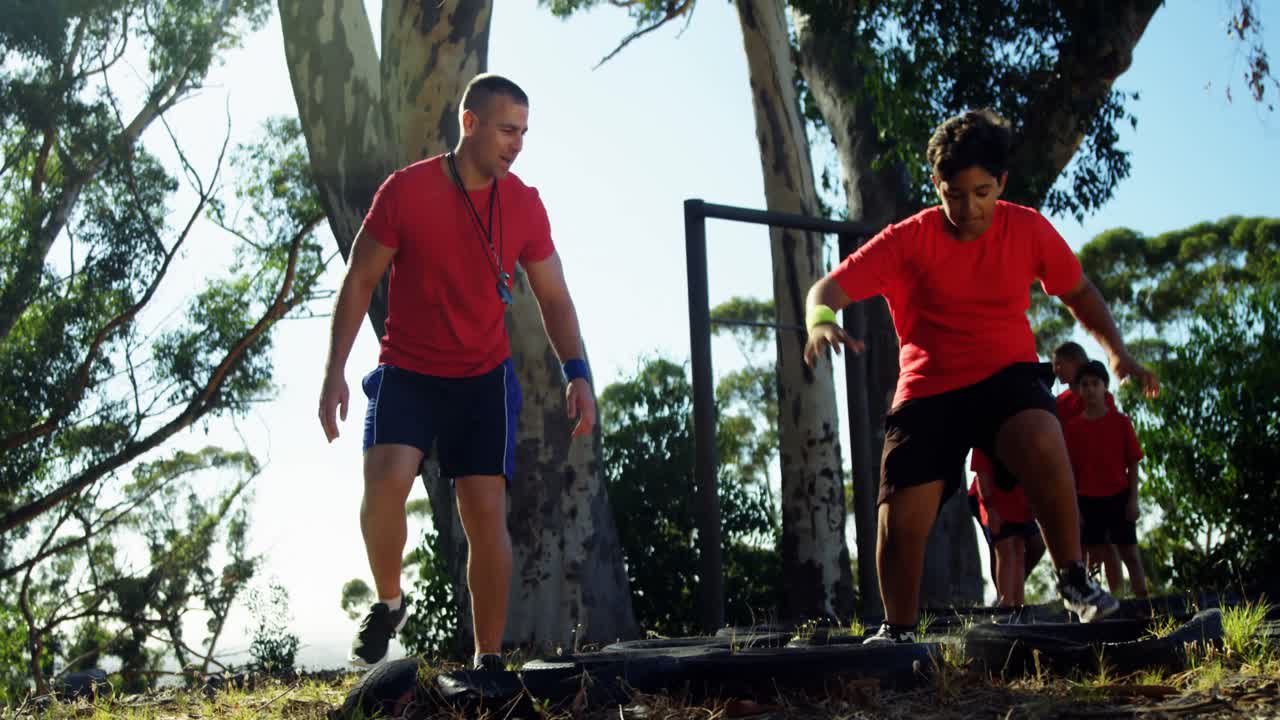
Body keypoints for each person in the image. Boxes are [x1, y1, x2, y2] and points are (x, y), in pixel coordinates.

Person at [802, 108, 1159, 644]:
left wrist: (1117, 350)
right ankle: (896, 633)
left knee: (1042, 435)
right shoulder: (909, 238)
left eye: (983, 192)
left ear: (1002, 184)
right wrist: (821, 324)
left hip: (1005, 377)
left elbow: (1079, 290)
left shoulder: (1028, 228)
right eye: (954, 193)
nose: (969, 208)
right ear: (936, 185)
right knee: (898, 528)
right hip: (928, 390)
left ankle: (1075, 582)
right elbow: (825, 290)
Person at [317, 74, 596, 669]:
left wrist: (578, 371)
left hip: (483, 378)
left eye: (523, 132)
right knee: (385, 482)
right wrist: (334, 370)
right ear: (469, 123)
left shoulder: (523, 202)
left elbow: (555, 298)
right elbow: (359, 279)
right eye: (505, 129)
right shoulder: (406, 191)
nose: (516, 144)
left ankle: (487, 660)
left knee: (484, 512)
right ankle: (390, 602)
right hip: (409, 368)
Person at [1063, 360, 1149, 598]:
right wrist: (1076, 510)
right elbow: (1069, 473)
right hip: (1088, 500)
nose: (1090, 389)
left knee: (1130, 554)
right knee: (1093, 559)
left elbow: (1133, 464)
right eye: (1084, 384)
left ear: (1105, 387)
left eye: (1095, 384)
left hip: (1119, 497)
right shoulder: (1072, 429)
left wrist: (1133, 501)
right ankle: (1109, 604)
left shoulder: (1121, 422)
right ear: (1079, 390)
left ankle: (1145, 606)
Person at [1051, 341, 1124, 583]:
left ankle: (1120, 596)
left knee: (1109, 543)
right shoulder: (1058, 404)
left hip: (1104, 482)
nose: (1056, 370)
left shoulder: (1104, 399)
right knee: (1079, 542)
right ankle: (1087, 591)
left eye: (1059, 364)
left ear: (1075, 362)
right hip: (1072, 482)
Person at [967, 450, 1043, 608]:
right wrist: (990, 509)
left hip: (1018, 500)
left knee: (1019, 550)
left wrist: (1034, 503)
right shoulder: (985, 441)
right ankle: (1006, 606)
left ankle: (1018, 605)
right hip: (992, 499)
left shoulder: (1027, 436)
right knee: (1004, 549)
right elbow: (982, 474)